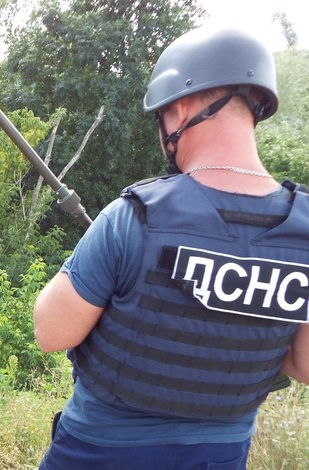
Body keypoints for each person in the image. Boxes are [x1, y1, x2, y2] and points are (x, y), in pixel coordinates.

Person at [33, 26, 309, 469]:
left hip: (98, 452)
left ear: (179, 109)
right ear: (255, 108)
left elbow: (52, 332)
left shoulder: (134, 216)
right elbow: (304, 366)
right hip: (218, 456)